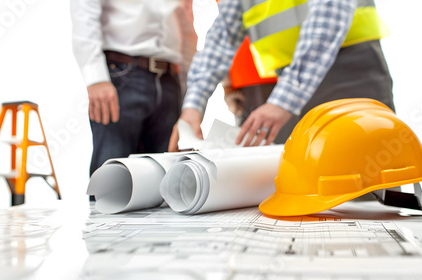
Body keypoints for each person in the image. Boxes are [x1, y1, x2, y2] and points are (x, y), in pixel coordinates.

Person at [168, 0, 394, 151]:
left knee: (361, 188)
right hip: (288, 82)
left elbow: (329, 16)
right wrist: (192, 110)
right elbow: (220, 40)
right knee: (301, 188)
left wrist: (283, 100)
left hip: (349, 71)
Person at [70, 0, 197, 182]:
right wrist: (95, 77)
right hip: (122, 74)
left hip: (171, 79)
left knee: (165, 177)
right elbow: (85, 9)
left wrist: (189, 95)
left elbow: (186, 27)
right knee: (114, 177)